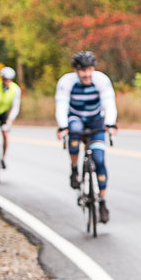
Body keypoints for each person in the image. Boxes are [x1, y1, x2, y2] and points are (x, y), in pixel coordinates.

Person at [55, 51, 118, 224]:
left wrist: (110, 123)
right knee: (74, 131)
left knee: (99, 160)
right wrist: (63, 126)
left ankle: (102, 201)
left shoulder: (101, 80)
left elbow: (109, 103)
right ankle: (75, 169)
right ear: (76, 71)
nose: (87, 74)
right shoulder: (66, 82)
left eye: (90, 69)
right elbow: (61, 105)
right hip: (75, 117)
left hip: (95, 120)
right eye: (83, 70)